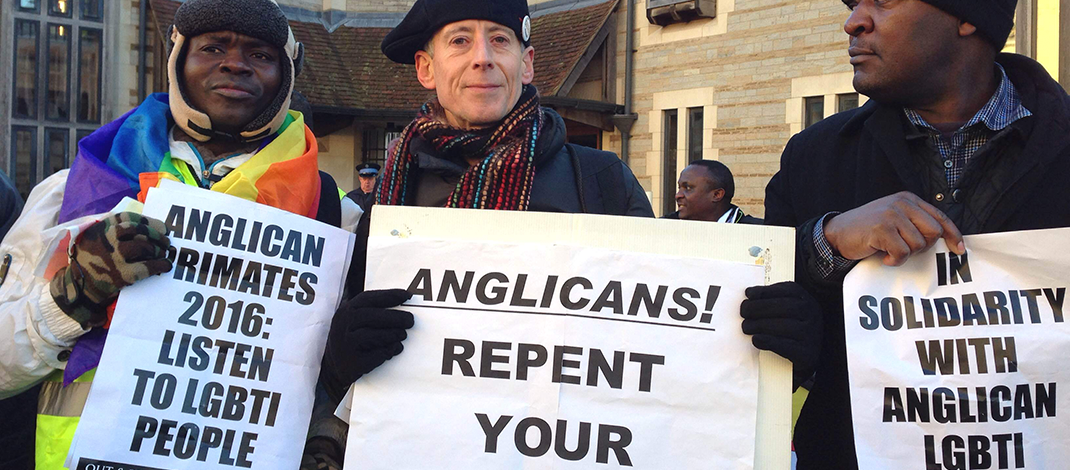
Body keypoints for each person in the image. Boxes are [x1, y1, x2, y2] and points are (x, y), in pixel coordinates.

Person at [0, 0, 356, 466]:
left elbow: (335, 380)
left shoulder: (331, 214)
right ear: (178, 60)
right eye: (212, 47)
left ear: (288, 73)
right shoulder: (70, 193)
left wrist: (324, 437)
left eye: (261, 55)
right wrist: (72, 298)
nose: (234, 63)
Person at [763, 0, 1070, 467]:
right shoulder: (813, 155)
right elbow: (756, 325)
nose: (854, 22)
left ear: (969, 17)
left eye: (882, 2)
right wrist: (829, 242)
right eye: (852, 5)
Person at [665, 159, 761, 223]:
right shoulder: (662, 227)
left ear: (717, 194)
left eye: (688, 188)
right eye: (679, 188)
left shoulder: (761, 232)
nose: (678, 195)